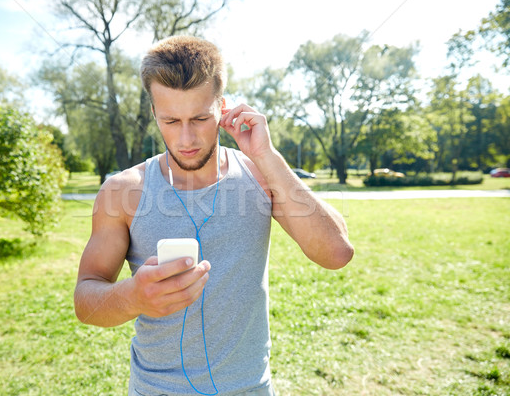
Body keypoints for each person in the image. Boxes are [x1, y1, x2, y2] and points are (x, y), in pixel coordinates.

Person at [74, 35, 354, 395]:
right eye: (171, 120)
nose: (186, 138)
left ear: (222, 107)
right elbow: (86, 300)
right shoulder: (123, 192)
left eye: (201, 117)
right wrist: (133, 297)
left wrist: (266, 156)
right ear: (153, 113)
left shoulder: (259, 174)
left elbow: (336, 253)